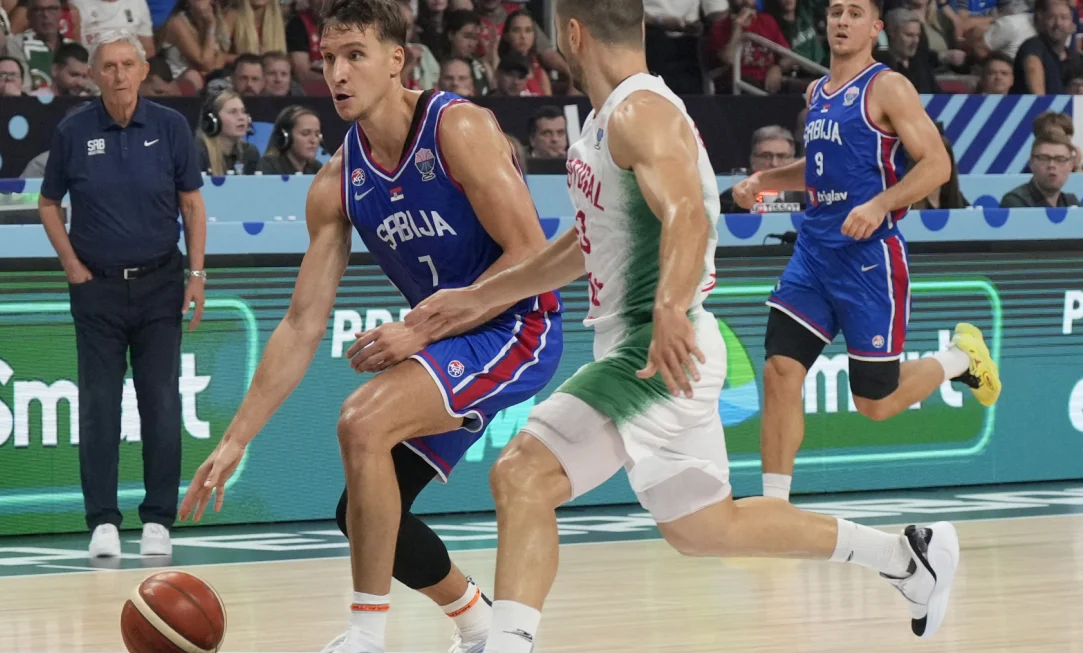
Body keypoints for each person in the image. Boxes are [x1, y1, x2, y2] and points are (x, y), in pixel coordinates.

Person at [407, 0, 965, 649]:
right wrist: (477, 298)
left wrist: (669, 305)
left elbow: (688, 217)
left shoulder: (640, 111)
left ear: (570, 34)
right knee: (705, 528)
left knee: (521, 475)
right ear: (639, 29)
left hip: (654, 349)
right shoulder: (608, 119)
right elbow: (586, 242)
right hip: (667, 347)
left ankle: (504, 641)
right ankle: (905, 557)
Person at [176, 1, 563, 652]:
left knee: (361, 419)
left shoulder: (457, 129)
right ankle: (476, 622)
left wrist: (422, 325)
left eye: (354, 54)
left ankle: (365, 636)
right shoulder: (337, 181)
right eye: (327, 58)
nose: (337, 72)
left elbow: (531, 255)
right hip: (448, 340)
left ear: (397, 60)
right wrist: (237, 436)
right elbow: (302, 322)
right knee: (360, 516)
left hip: (517, 325)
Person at [728, 0, 1001, 503]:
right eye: (835, 12)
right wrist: (765, 183)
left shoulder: (888, 86)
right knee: (779, 370)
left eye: (855, 13)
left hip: (868, 261)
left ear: (875, 27)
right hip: (813, 256)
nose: (842, 21)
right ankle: (774, 505)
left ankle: (960, 360)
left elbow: (936, 165)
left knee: (875, 402)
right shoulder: (817, 91)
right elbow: (819, 169)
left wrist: (881, 203)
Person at [37, 30, 207, 558]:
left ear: (142, 69)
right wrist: (71, 265)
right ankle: (103, 523)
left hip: (161, 284)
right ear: (93, 74)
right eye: (107, 66)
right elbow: (47, 204)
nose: (118, 74)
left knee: (160, 402)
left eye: (127, 64)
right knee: (99, 405)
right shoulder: (72, 131)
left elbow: (193, 206)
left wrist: (197, 276)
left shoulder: (172, 126)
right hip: (98, 291)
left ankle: (158, 519)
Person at [1000, 132, 1080, 207]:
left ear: (1071, 165)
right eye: (1044, 158)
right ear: (1031, 163)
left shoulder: (1071, 202)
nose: (1051, 165)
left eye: (1060, 159)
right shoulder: (1015, 201)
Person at [196, 89, 260, 175]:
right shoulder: (198, 152)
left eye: (243, 111)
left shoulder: (249, 153)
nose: (241, 117)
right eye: (233, 112)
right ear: (213, 120)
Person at [256, 104, 323, 175]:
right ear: (286, 137)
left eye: (317, 135)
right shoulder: (269, 166)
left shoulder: (317, 168)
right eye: (305, 133)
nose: (313, 140)